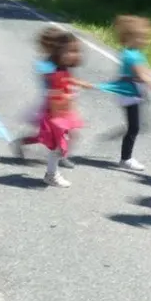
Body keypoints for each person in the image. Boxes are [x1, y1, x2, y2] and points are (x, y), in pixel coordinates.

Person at [12, 26, 76, 168]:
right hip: (50, 104)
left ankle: (63, 155)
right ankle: (21, 142)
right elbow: (51, 84)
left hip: (61, 104)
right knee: (46, 136)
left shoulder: (60, 61)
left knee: (67, 131)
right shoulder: (47, 64)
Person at [35, 33, 93, 187]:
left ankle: (53, 171)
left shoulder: (63, 70)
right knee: (59, 146)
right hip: (57, 116)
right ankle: (51, 174)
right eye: (68, 51)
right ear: (58, 53)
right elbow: (54, 96)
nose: (72, 55)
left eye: (75, 51)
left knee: (66, 142)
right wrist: (67, 96)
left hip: (63, 114)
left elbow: (67, 80)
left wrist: (79, 83)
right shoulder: (56, 74)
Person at [112, 15, 151, 171]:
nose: (146, 41)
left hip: (133, 92)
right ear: (132, 37)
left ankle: (126, 157)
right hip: (128, 93)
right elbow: (142, 75)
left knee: (134, 126)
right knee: (134, 127)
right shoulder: (130, 55)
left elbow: (146, 71)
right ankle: (126, 158)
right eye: (143, 37)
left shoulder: (135, 53)